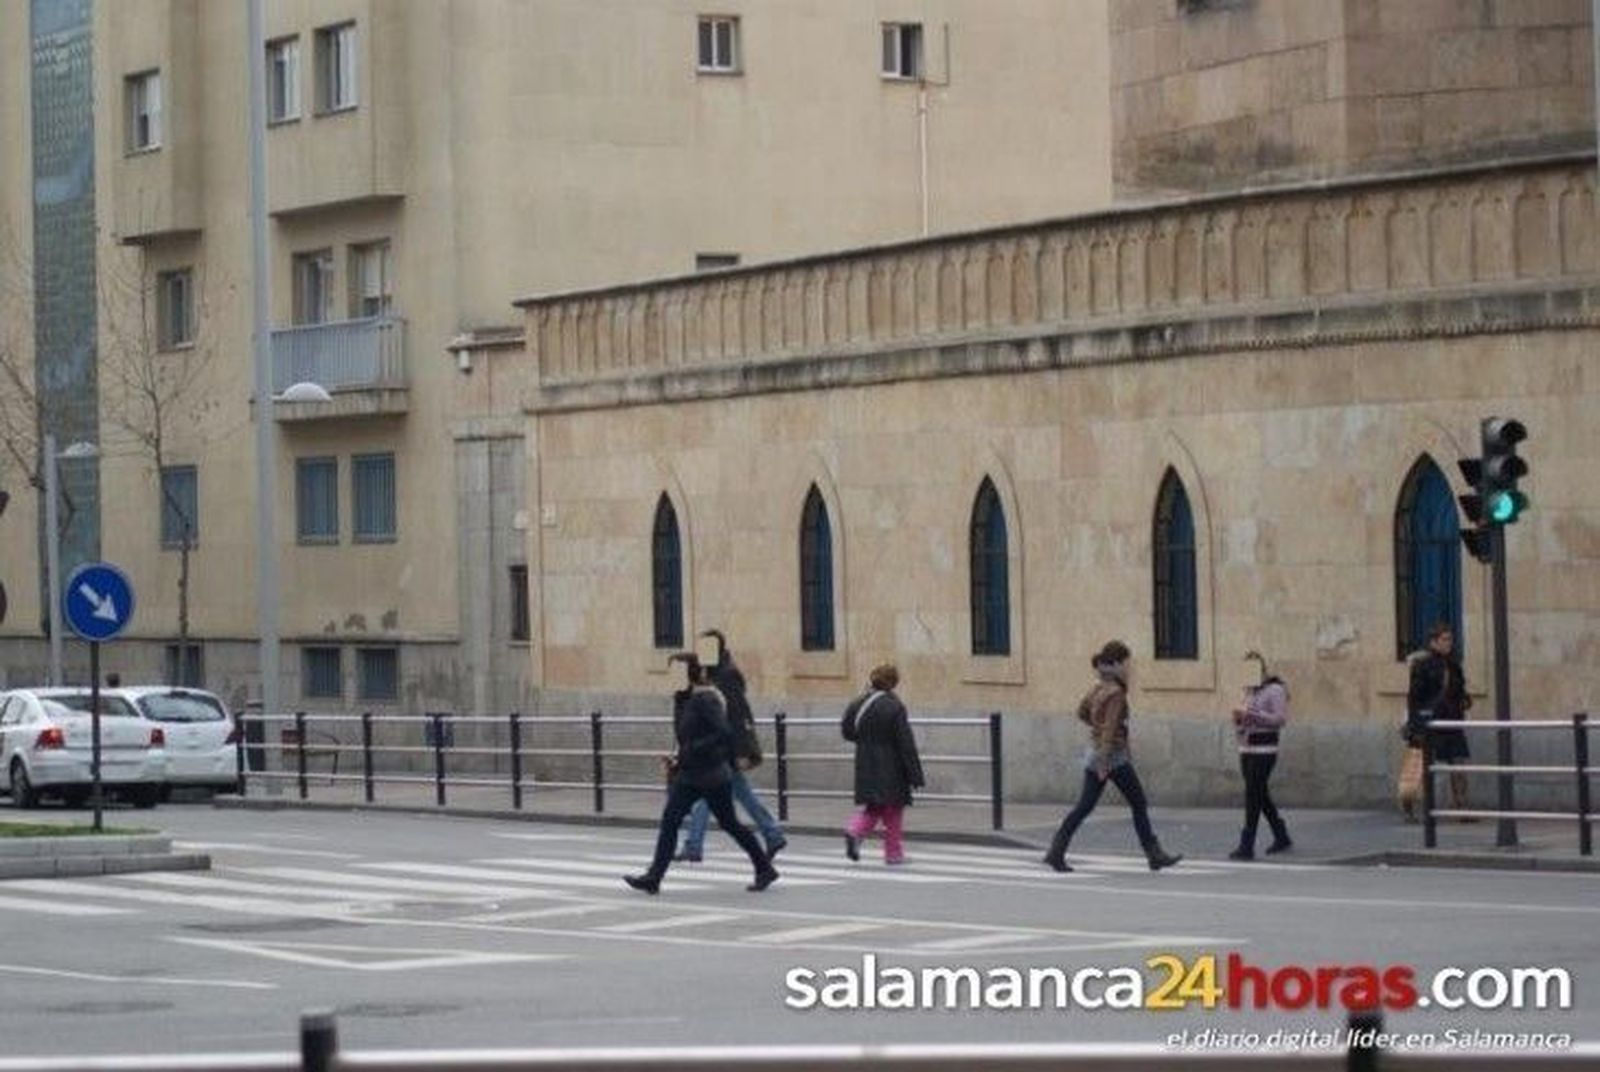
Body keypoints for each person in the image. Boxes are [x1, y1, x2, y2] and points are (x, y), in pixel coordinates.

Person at [624, 654, 778, 895]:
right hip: (692, 775)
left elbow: (724, 733)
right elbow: (688, 737)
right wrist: (678, 759)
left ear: (692, 676)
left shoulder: (706, 700)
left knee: (729, 824)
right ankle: (654, 877)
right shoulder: (686, 701)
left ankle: (764, 867)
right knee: (671, 821)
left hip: (711, 776)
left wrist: (694, 750)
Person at [1043, 640, 1182, 873]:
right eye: (1126, 663)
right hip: (1112, 757)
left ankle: (1056, 850)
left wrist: (1095, 728)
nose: (1128, 668)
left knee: (1084, 806)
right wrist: (1105, 759)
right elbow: (1110, 728)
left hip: (1094, 752)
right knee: (1138, 803)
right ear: (1116, 663)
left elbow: (1082, 712)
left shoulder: (1098, 686)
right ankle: (1154, 854)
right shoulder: (1116, 692)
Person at [674, 630, 787, 862]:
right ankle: (772, 833)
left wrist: (743, 750)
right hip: (722, 749)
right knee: (739, 794)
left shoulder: (726, 675)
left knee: (710, 795)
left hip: (726, 748)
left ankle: (694, 845)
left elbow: (738, 714)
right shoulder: (714, 674)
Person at [841, 663, 923, 865]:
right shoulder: (895, 707)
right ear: (893, 683)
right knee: (894, 809)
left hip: (865, 762)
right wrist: (915, 774)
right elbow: (906, 743)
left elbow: (847, 731)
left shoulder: (858, 703)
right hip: (891, 765)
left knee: (874, 806)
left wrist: (866, 743)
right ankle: (893, 853)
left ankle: (854, 831)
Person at [1228, 651, 1292, 860]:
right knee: (1259, 793)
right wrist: (1239, 720)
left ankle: (1247, 844)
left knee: (1252, 794)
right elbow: (1245, 719)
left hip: (1265, 749)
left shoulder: (1275, 689)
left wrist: (1251, 715)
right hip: (1247, 748)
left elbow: (1280, 719)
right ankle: (1280, 834)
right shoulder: (1249, 690)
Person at [1405, 622, 1472, 819]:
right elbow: (1414, 696)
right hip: (1431, 723)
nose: (1449, 643)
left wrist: (1465, 700)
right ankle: (1411, 805)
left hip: (1452, 721)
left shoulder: (1454, 664)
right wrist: (1416, 723)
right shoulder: (1423, 664)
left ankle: (1463, 808)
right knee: (1421, 767)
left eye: (1450, 639)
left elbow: (1459, 690)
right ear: (1433, 642)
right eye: (1444, 639)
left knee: (1458, 764)